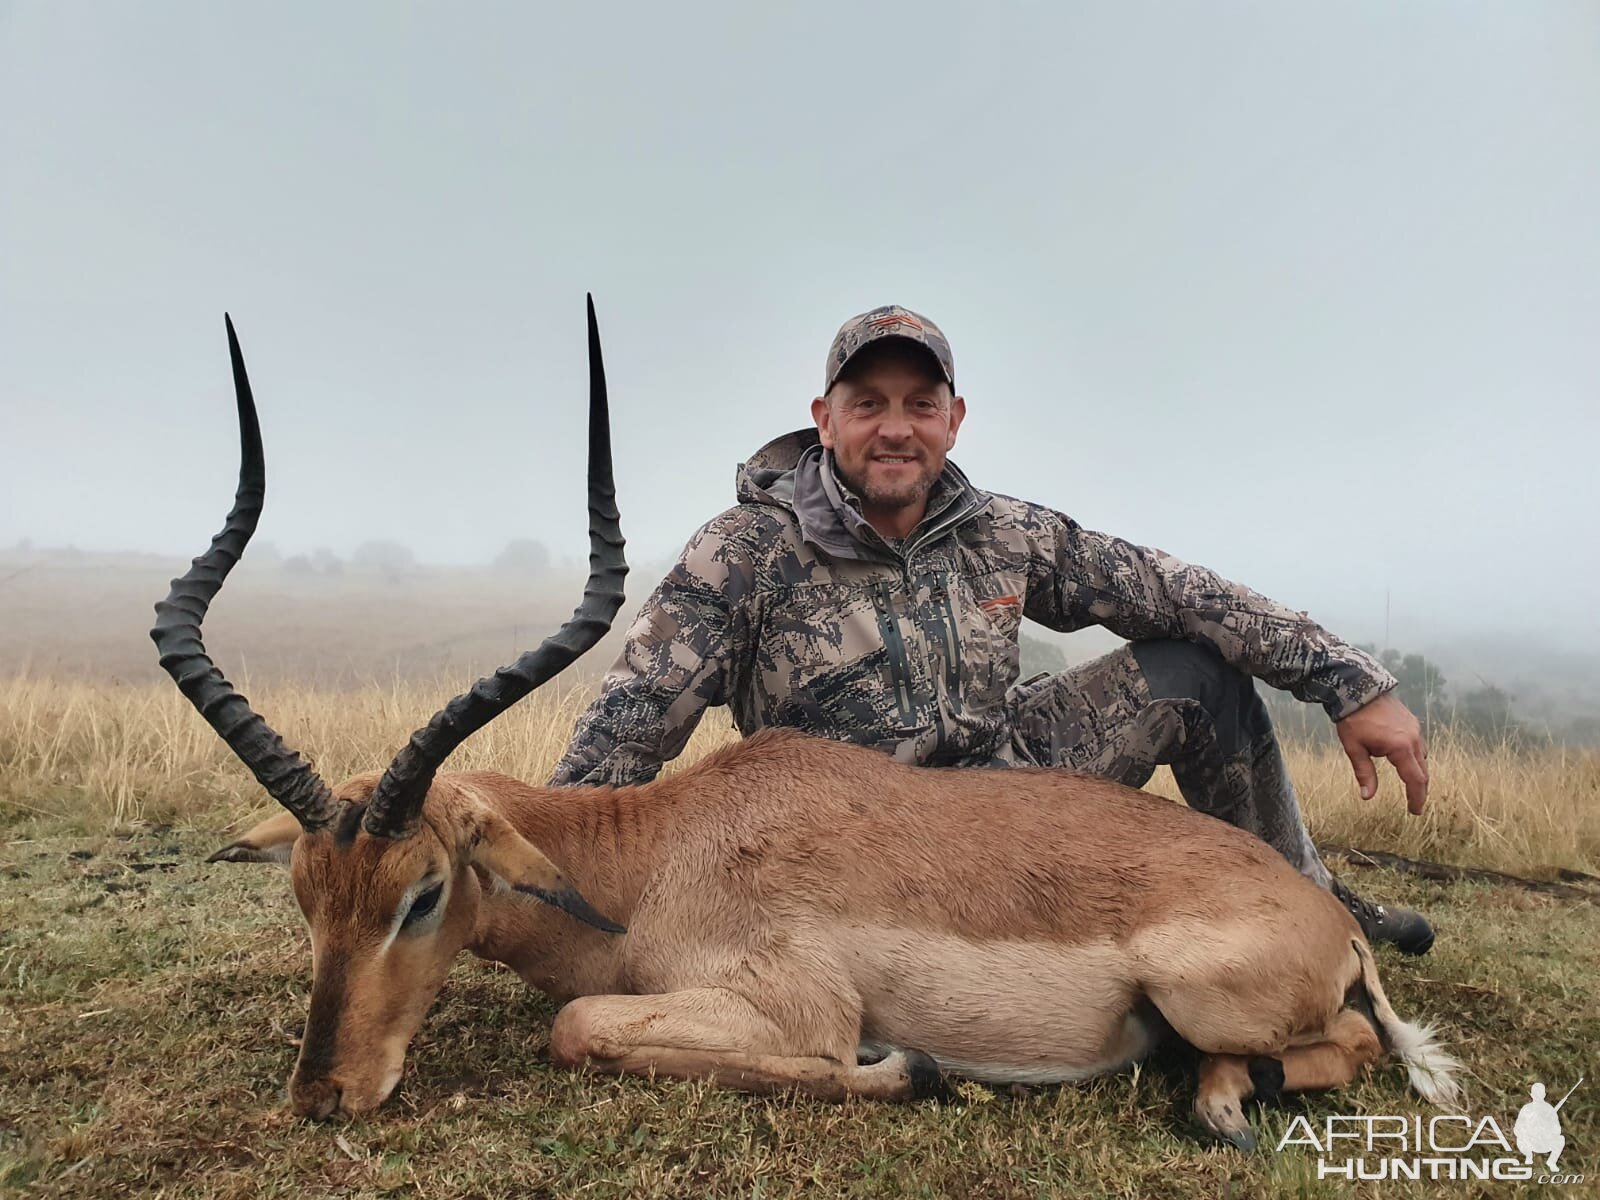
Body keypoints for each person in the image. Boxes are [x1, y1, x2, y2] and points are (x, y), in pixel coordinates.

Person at [552, 304, 1435, 955]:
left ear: (954, 418)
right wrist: (537, 881)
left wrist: (1352, 683)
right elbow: (618, 741)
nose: (895, 428)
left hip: (1013, 792)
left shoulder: (1006, 531)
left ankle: (1312, 908)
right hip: (852, 847)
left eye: (919, 404)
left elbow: (1177, 591)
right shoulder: (739, 554)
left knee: (1192, 672)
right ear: (825, 420)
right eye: (867, 403)